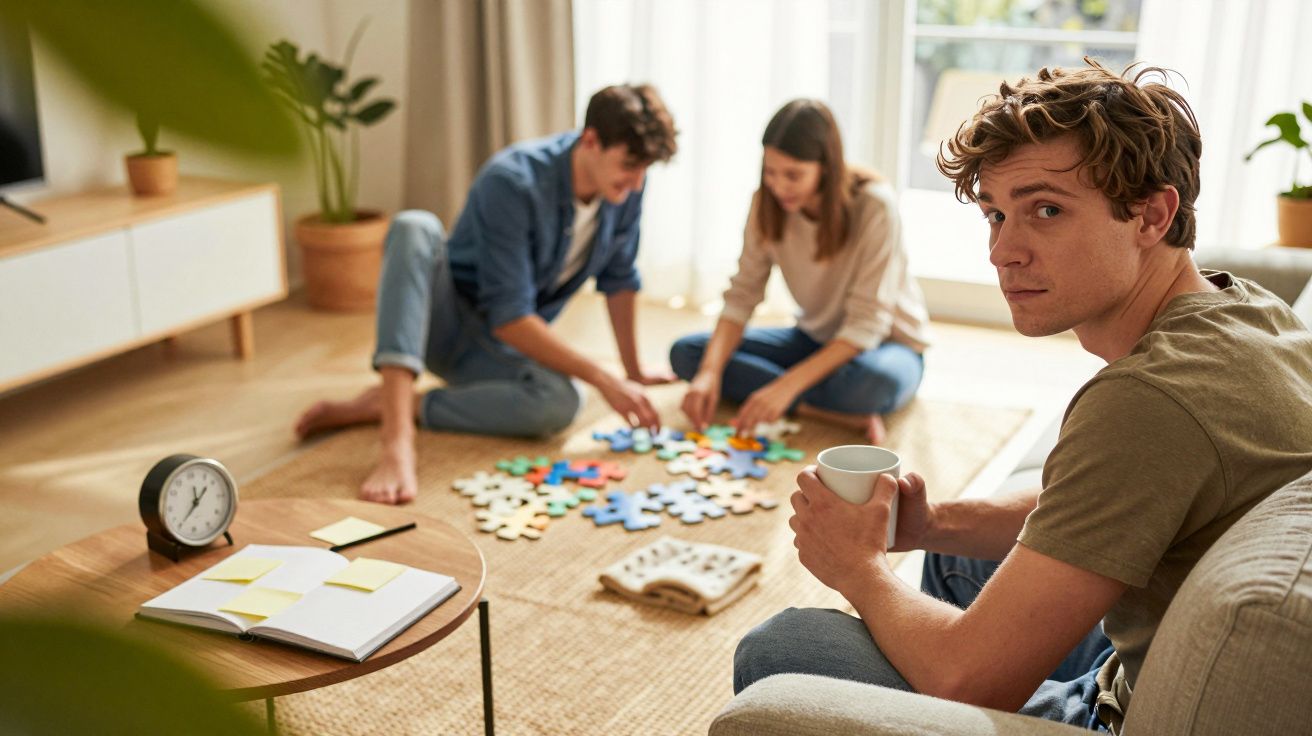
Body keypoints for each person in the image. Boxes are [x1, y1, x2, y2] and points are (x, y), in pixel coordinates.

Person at [733, 60, 1312, 731]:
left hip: (1113, 712)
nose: (1002, 250)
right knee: (956, 554)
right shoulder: (1252, 311)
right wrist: (930, 524)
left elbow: (967, 678)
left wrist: (858, 567)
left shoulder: (1147, 401)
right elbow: (1120, 489)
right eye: (995, 214)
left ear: (1153, 214)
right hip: (1136, 642)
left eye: (1046, 210)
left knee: (782, 648)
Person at [295, 84, 680, 505]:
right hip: (442, 325)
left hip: (496, 350)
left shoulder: (623, 190)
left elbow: (619, 278)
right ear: (591, 140)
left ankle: (393, 406)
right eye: (630, 164)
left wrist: (632, 370)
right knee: (414, 227)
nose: (638, 181)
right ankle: (397, 439)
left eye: (646, 169)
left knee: (561, 402)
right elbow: (510, 315)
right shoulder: (513, 180)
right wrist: (605, 379)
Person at [670, 99, 929, 444]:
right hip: (814, 338)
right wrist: (709, 373)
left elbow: (867, 325)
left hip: (886, 346)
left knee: (875, 384)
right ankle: (818, 410)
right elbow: (743, 294)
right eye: (770, 172)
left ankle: (794, 397)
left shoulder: (875, 206)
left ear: (826, 166)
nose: (779, 187)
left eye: (793, 175)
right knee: (689, 354)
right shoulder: (765, 204)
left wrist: (782, 387)